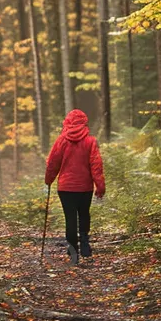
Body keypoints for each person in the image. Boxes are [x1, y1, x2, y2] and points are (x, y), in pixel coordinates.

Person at [44, 108, 105, 266]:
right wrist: (100, 186)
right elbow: (96, 166)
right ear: (84, 122)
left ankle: (73, 253)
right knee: (84, 214)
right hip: (85, 187)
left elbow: (52, 163)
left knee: (70, 219)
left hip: (66, 188)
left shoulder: (61, 141)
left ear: (67, 122)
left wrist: (48, 180)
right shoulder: (90, 141)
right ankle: (85, 246)